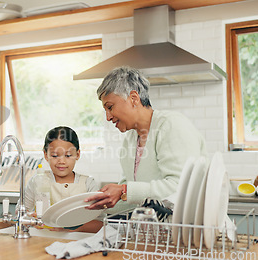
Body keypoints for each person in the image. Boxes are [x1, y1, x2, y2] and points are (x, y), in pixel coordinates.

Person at [84, 66, 207, 212]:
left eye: (110, 107)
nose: (108, 117)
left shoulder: (171, 125)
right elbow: (130, 198)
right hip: (156, 231)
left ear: (133, 98)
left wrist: (124, 190)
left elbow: (181, 186)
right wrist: (94, 207)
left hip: (193, 230)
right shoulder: (130, 139)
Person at [22, 126, 103, 233]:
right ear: (46, 155)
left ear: (77, 154)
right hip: (43, 240)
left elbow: (100, 223)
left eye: (68, 155)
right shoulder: (37, 181)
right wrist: (30, 217)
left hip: (78, 242)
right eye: (55, 156)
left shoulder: (88, 183)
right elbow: (22, 214)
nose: (61, 161)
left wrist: (70, 231)